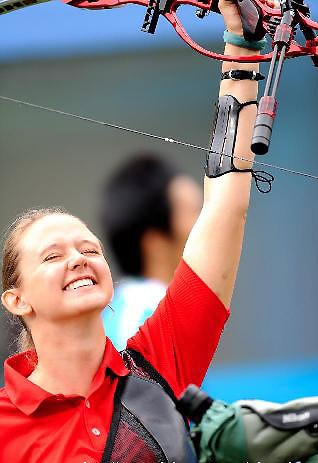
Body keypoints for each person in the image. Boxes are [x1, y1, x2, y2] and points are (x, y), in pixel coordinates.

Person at [0, 0, 274, 460]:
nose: (80, 258)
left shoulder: (159, 366)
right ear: (16, 298)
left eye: (89, 248)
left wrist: (242, 46)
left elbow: (227, 205)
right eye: (52, 255)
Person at [100, 153, 202, 350]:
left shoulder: (126, 309)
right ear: (156, 242)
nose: (210, 225)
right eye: (195, 212)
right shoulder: (146, 320)